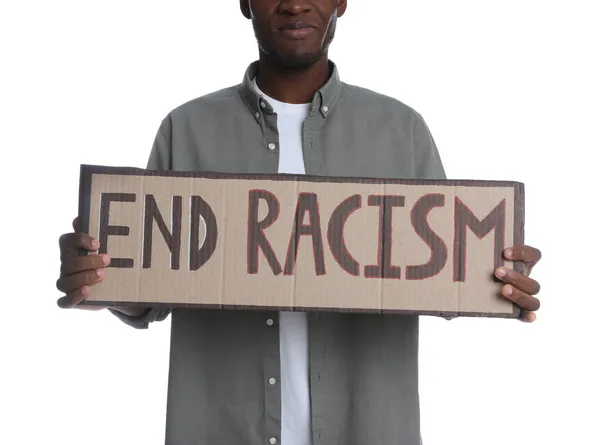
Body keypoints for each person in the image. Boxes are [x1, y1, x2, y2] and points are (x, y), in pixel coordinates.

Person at [56, 1, 543, 444]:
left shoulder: (402, 130)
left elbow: (439, 276)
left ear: (342, 2)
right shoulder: (186, 129)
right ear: (245, 3)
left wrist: (496, 278)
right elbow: (153, 288)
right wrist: (103, 276)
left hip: (367, 429)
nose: (293, 2)